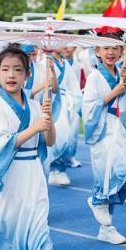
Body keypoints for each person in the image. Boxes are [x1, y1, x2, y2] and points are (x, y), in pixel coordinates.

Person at [0, 47, 55, 250]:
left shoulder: (35, 105)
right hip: (9, 174)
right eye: (5, 69)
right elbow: (0, 144)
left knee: (38, 226)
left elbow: (49, 141)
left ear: (27, 75)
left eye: (18, 70)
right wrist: (36, 127)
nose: (11, 75)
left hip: (33, 173)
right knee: (8, 229)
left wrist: (49, 119)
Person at [83, 33, 126, 244]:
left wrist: (124, 84)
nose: (110, 52)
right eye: (105, 48)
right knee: (109, 173)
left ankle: (105, 226)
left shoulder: (120, 74)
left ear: (121, 51)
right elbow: (89, 107)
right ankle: (98, 203)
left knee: (123, 176)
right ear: (97, 52)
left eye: (115, 48)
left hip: (119, 129)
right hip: (103, 130)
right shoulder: (94, 77)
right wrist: (113, 92)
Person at [47, 48, 82, 186]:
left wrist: (77, 103)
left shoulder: (65, 63)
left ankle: (61, 168)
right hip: (54, 101)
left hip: (68, 102)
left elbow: (74, 85)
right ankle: (54, 169)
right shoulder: (45, 61)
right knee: (59, 135)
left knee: (70, 135)